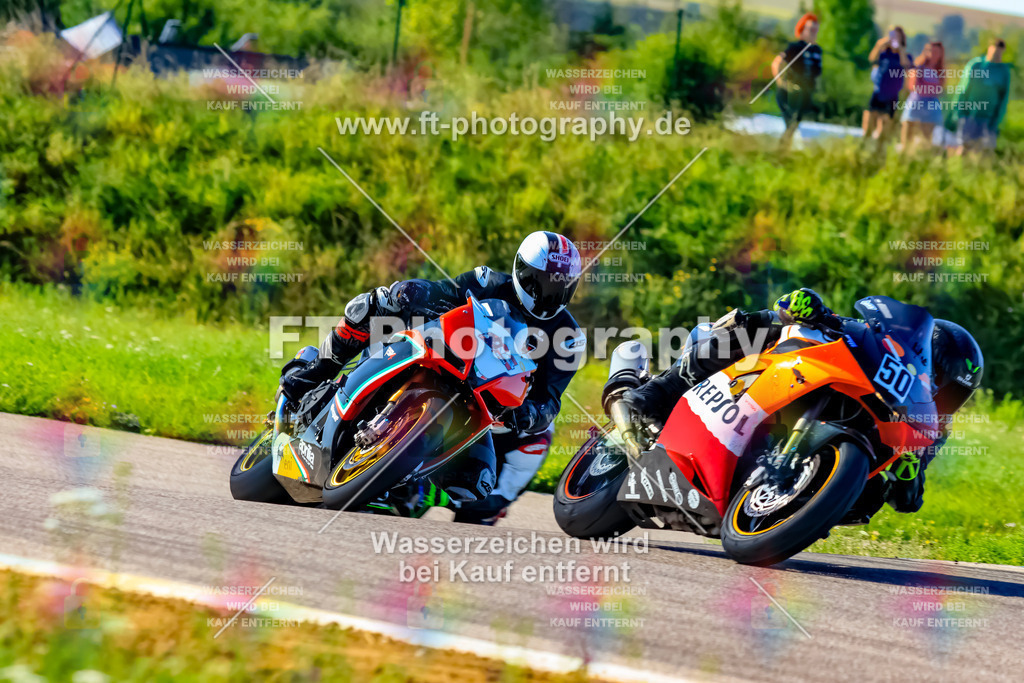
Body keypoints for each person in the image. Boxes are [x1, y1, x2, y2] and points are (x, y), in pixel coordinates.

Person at [281, 231, 587, 523]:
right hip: (442, 357)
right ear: (522, 271)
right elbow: (446, 291)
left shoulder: (569, 338)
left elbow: (550, 400)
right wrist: (415, 291)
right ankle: (316, 372)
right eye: (541, 282)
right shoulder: (488, 281)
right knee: (374, 305)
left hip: (484, 411)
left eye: (560, 286)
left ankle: (411, 485)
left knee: (476, 484)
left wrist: (528, 414)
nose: (548, 294)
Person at [603, 288, 983, 516]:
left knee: (869, 497)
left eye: (955, 396)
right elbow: (828, 320)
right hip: (803, 382)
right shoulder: (875, 348)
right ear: (927, 362)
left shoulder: (927, 432)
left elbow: (909, 502)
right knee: (764, 325)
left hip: (819, 477)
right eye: (944, 385)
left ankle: (788, 510)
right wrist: (811, 309)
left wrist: (908, 473)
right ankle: (650, 395)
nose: (943, 399)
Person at [772, 13, 823, 149]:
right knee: (792, 123)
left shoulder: (817, 50)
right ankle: (780, 152)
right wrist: (780, 81)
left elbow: (817, 74)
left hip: (805, 95)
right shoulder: (795, 47)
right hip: (790, 93)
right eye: (810, 30)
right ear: (802, 30)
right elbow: (777, 62)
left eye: (815, 30)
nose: (813, 33)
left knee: (794, 125)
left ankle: (782, 152)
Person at [953, 38, 1011, 154]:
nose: (996, 55)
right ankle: (957, 170)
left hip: (989, 118)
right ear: (989, 49)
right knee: (964, 147)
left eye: (999, 52)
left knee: (984, 151)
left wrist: (997, 119)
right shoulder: (976, 65)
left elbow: (1003, 97)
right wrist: (959, 111)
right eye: (994, 51)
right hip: (969, 114)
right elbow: (963, 89)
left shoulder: (1003, 71)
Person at [862, 26, 913, 153]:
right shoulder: (884, 53)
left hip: (892, 96)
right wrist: (880, 45)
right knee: (869, 125)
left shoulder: (906, 56)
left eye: (898, 37)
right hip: (878, 93)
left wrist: (900, 49)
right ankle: (863, 149)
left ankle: (878, 153)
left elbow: (906, 65)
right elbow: (872, 59)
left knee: (884, 129)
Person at [900, 41, 945, 152]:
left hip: (931, 107)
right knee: (907, 137)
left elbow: (940, 89)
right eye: (930, 50)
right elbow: (914, 86)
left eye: (935, 51)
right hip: (915, 103)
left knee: (926, 140)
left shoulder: (940, 71)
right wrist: (930, 88)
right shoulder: (918, 67)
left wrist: (927, 88)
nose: (932, 54)